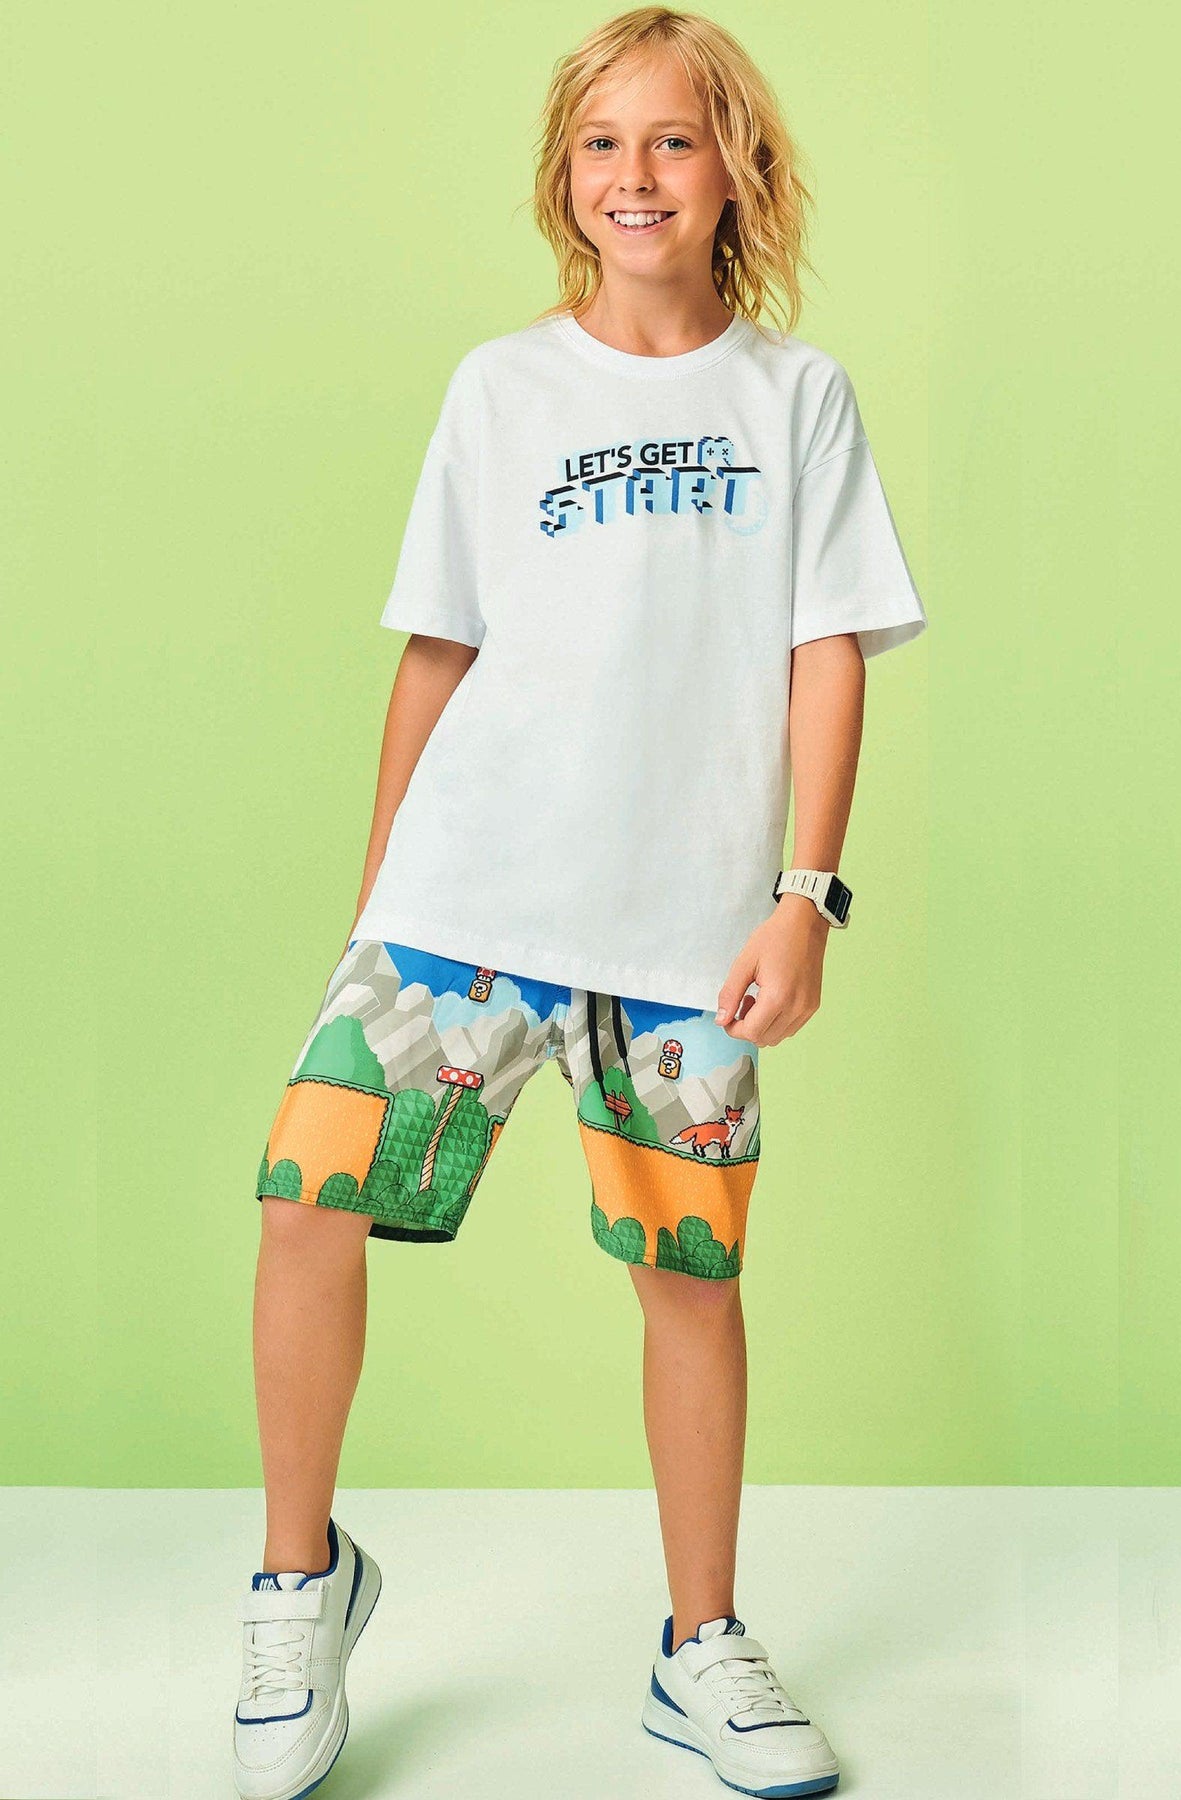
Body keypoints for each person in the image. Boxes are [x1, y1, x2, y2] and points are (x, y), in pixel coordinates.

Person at [232, 8, 928, 1798]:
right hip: (468, 898)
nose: (637, 174)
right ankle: (298, 1588)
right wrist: (377, 896)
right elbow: (437, 649)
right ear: (565, 176)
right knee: (305, 1196)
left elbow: (827, 650)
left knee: (692, 1277)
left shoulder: (795, 397)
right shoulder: (502, 389)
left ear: (736, 172)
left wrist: (805, 898)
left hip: (687, 932)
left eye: (674, 140)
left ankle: (701, 1645)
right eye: (603, 143)